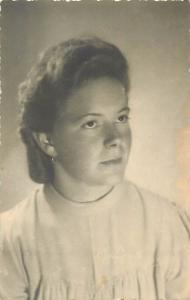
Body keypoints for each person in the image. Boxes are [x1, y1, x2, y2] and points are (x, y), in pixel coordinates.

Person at [0, 36, 190, 300]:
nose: (116, 139)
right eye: (91, 123)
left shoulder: (166, 224)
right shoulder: (12, 239)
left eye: (121, 118)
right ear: (48, 141)